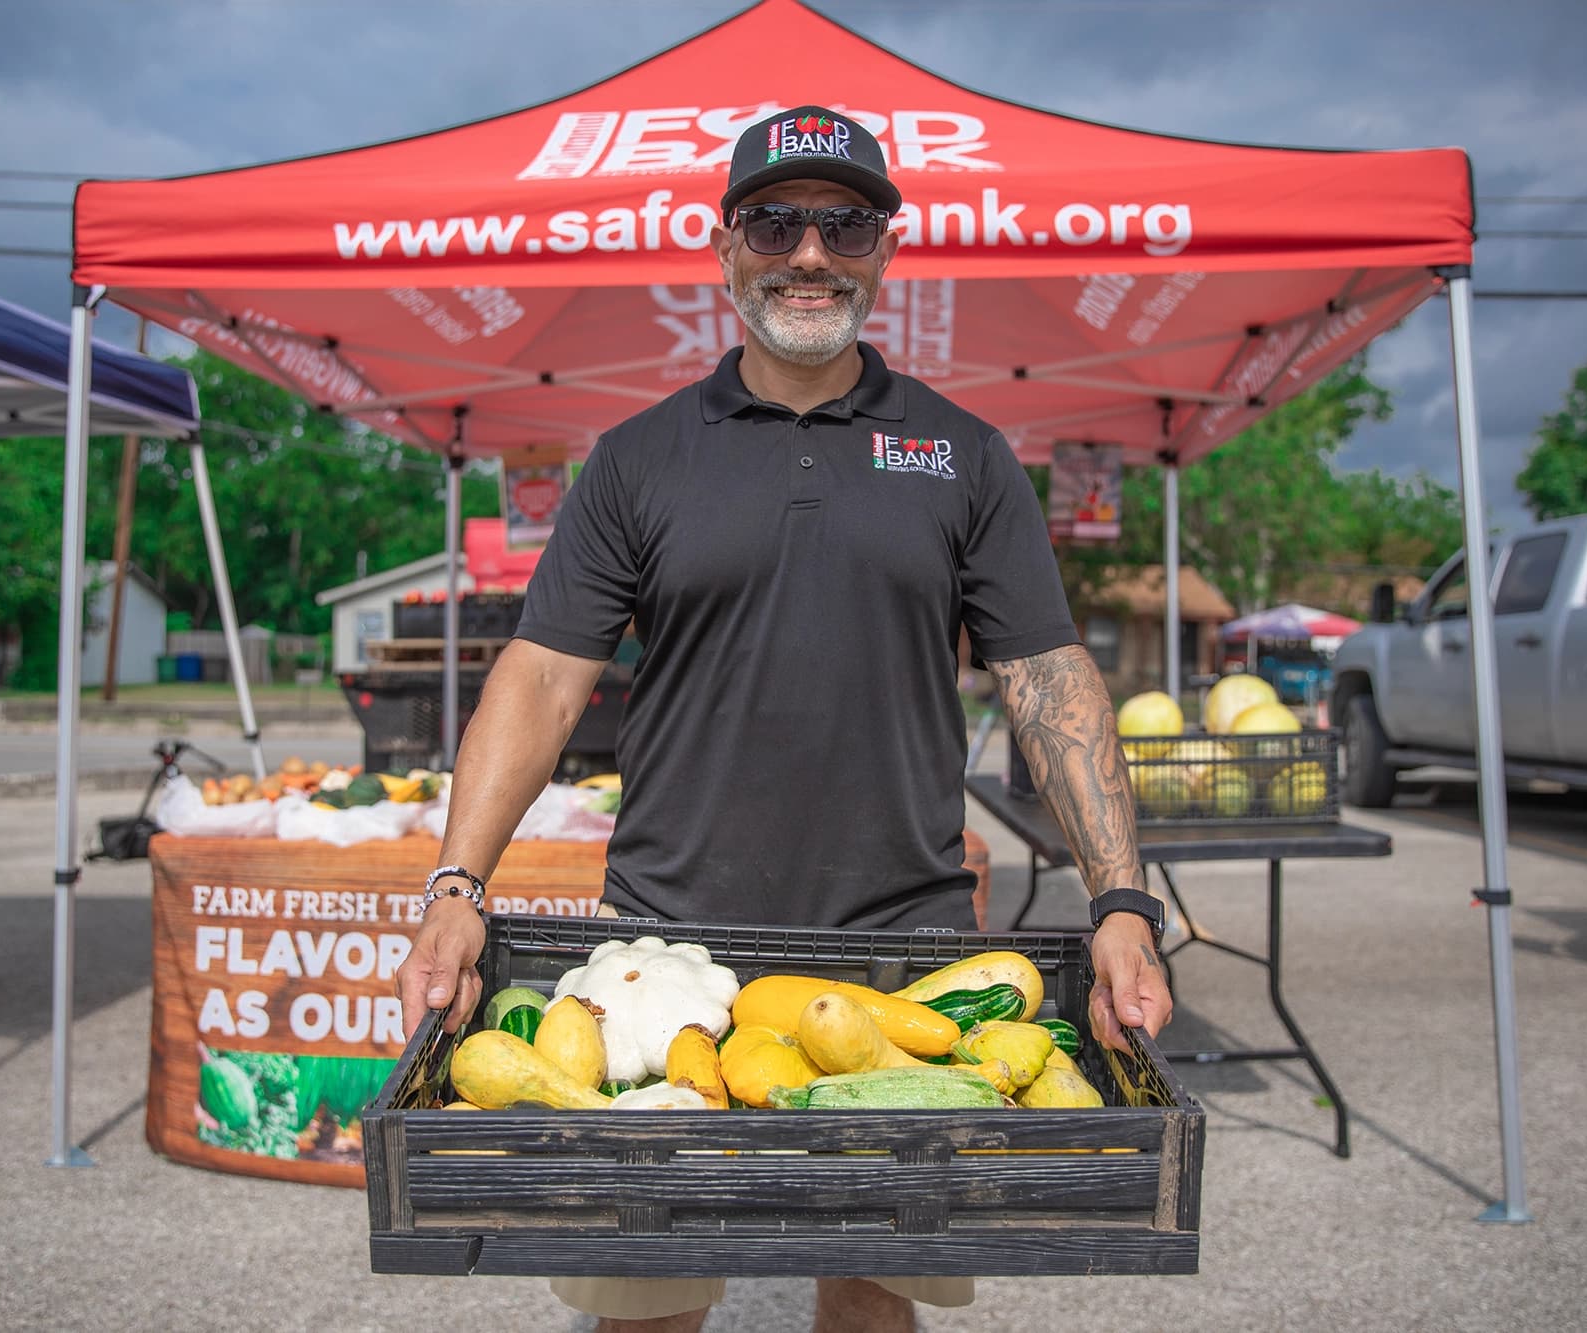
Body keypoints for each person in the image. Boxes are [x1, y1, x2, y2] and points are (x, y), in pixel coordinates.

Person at [393, 105, 1170, 1333]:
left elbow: (1047, 678)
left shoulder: (964, 455)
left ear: (885, 251)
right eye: (773, 222)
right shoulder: (637, 458)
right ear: (723, 247)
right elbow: (540, 676)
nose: (808, 253)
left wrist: (1120, 900)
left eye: (844, 226)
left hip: (905, 945)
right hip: (663, 943)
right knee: (644, 1300)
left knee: (870, 1291)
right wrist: (454, 885)